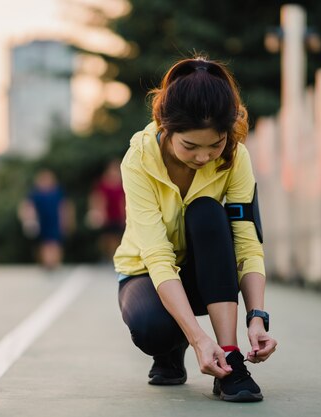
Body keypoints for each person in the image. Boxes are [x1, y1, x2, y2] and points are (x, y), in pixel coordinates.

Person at [114, 57, 277, 402]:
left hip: (209, 273)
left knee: (207, 213)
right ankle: (169, 352)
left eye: (215, 144)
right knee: (152, 328)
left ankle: (231, 360)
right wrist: (198, 338)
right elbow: (157, 256)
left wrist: (257, 317)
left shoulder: (236, 157)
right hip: (146, 273)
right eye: (190, 146)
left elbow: (247, 244)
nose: (204, 157)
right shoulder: (138, 160)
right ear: (164, 125)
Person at [18, 169, 74, 269]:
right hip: (42, 223)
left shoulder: (58, 192)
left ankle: (54, 262)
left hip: (55, 222)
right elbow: (26, 207)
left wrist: (67, 220)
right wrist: (28, 220)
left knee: (55, 244)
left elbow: (65, 207)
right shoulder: (34, 194)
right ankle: (48, 263)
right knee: (45, 245)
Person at [86, 159, 126, 261]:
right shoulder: (102, 184)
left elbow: (124, 200)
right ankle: (106, 257)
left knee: (116, 239)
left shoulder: (122, 184)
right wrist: (97, 213)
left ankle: (115, 258)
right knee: (106, 239)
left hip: (117, 216)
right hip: (106, 216)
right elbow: (97, 198)